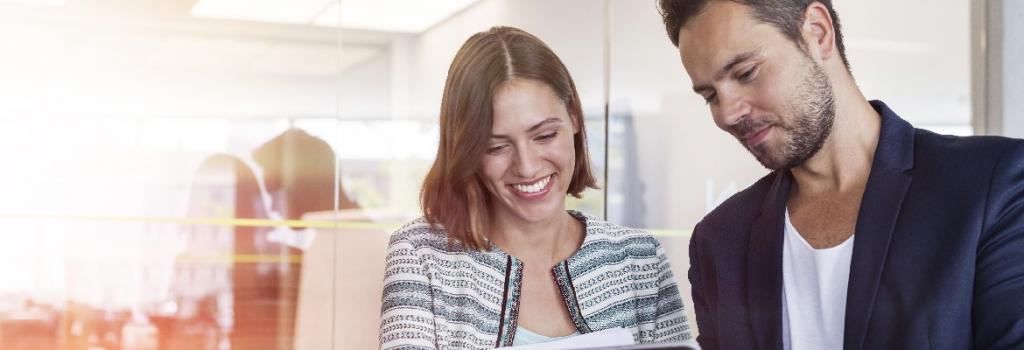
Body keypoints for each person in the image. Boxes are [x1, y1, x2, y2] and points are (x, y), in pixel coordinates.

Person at [657, 0, 1024, 349]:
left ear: (817, 32)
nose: (726, 114)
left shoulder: (992, 186)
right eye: (710, 96)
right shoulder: (719, 240)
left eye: (745, 73)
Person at [378, 26, 693, 349]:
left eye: (544, 136)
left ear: (573, 118)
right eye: (497, 147)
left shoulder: (639, 259)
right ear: (466, 150)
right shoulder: (421, 255)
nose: (527, 167)